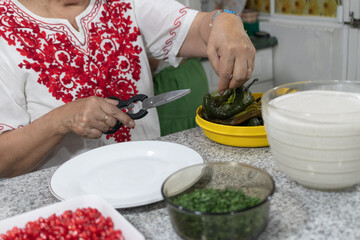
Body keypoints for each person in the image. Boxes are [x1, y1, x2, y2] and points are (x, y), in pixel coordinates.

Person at [0, 0, 255, 177]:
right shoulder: (5, 27)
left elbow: (201, 28)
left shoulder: (126, 3)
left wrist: (225, 21)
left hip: (149, 179)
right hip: (62, 206)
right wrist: (60, 120)